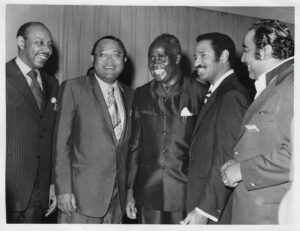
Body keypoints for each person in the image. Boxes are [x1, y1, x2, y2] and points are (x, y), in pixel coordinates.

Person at [126, 33, 207, 224]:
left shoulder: (200, 93)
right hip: (147, 195)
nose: (155, 63)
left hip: (186, 195)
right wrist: (130, 191)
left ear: (177, 58)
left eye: (161, 57)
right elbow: (135, 148)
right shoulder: (141, 94)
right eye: (151, 58)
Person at [53, 36, 134, 223]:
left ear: (124, 60)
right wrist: (63, 189)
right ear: (92, 59)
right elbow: (61, 143)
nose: (109, 60)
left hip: (116, 200)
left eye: (116, 55)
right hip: (80, 199)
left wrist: (128, 192)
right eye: (102, 54)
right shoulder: (73, 87)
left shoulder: (131, 95)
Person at [221, 19, 294, 224]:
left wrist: (242, 170)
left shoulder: (292, 83)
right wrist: (238, 164)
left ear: (266, 50)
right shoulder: (276, 83)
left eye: (246, 50)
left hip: (270, 216)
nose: (243, 58)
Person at [181, 33, 251, 225]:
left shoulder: (231, 95)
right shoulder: (218, 92)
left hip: (213, 211)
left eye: (203, 55)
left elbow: (226, 156)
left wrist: (204, 210)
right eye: (196, 57)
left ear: (224, 56)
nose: (197, 63)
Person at [6, 21, 58, 223]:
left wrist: (52, 184)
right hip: (8, 187)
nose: (47, 49)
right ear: (20, 42)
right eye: (40, 42)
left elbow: (50, 137)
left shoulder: (52, 83)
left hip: (39, 193)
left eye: (50, 44)